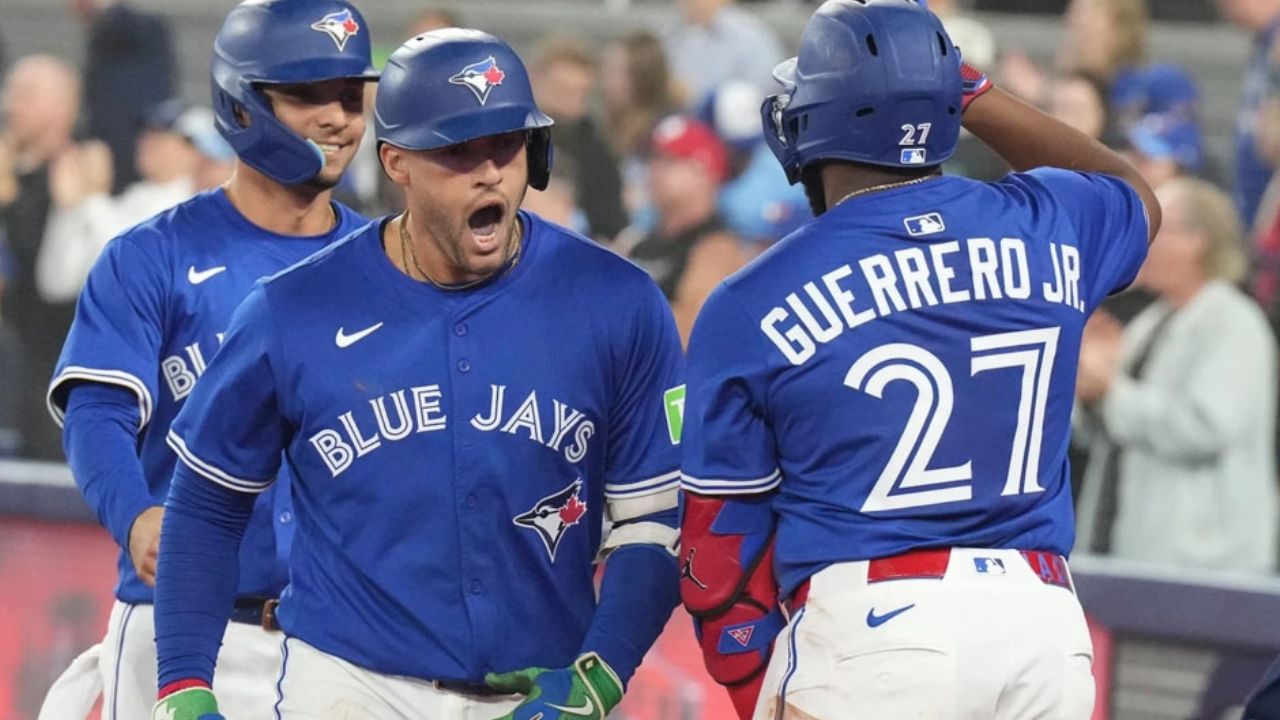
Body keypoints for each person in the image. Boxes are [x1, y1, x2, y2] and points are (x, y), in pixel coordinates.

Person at [151, 28, 683, 720]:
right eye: (460, 151)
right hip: (350, 682)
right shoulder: (292, 310)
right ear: (398, 163)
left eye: (507, 145)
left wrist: (602, 673)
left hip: (540, 687)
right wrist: (182, 686)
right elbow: (205, 504)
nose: (491, 171)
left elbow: (656, 520)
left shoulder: (617, 301)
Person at [676, 1, 1161, 719]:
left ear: (810, 120)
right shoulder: (1045, 218)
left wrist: (758, 683)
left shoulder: (752, 296)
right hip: (1044, 624)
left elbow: (718, 544)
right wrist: (975, 97)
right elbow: (1135, 197)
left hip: (874, 627)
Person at [38, 1, 378, 718]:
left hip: (344, 643)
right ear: (244, 104)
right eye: (308, 95)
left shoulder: (388, 266)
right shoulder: (151, 255)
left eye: (351, 96)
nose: (339, 119)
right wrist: (134, 516)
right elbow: (97, 412)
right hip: (186, 628)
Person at [1075, 177, 1278, 573]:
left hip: (1208, 565)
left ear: (1196, 241)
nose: (1143, 244)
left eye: (1158, 231)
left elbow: (1204, 427)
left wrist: (1109, 391)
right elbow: (1100, 430)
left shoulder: (1234, 322)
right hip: (1126, 550)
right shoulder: (1149, 323)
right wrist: (1087, 382)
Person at [0, 55, 84, 461]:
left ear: (62, 105)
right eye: (10, 93)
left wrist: (10, 197)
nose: (10, 105)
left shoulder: (82, 172)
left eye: (25, 95)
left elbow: (53, 281)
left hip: (51, 379)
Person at [626, 115, 745, 345]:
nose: (654, 169)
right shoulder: (640, 242)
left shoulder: (717, 247)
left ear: (704, 171)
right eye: (652, 159)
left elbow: (692, 329)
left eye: (670, 161)